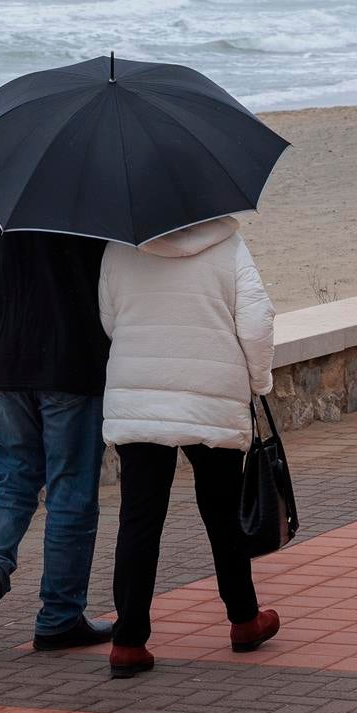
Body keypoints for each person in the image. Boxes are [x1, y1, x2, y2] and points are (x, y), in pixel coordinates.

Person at [97, 215, 281, 678]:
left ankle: (128, 641)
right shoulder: (229, 243)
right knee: (222, 511)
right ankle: (243, 620)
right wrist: (259, 382)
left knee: (139, 517)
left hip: (139, 395)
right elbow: (257, 322)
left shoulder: (120, 246)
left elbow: (108, 318)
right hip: (212, 392)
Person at [0, 197, 114, 650]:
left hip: (3, 354)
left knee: (13, 479)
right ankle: (60, 615)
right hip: (70, 358)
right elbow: (110, 273)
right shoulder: (86, 186)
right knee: (71, 490)